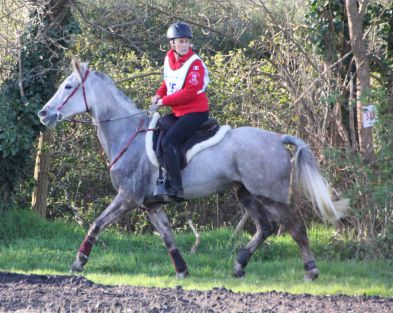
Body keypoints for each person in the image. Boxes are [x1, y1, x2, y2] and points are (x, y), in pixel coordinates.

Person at [151, 21, 210, 200]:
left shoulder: (195, 63)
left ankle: (177, 187)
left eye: (187, 41)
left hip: (195, 112)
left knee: (169, 142)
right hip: (179, 112)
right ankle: (163, 178)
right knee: (160, 126)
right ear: (172, 44)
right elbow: (168, 83)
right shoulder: (169, 59)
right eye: (181, 41)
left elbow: (189, 93)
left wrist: (163, 101)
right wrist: (157, 95)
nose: (184, 45)